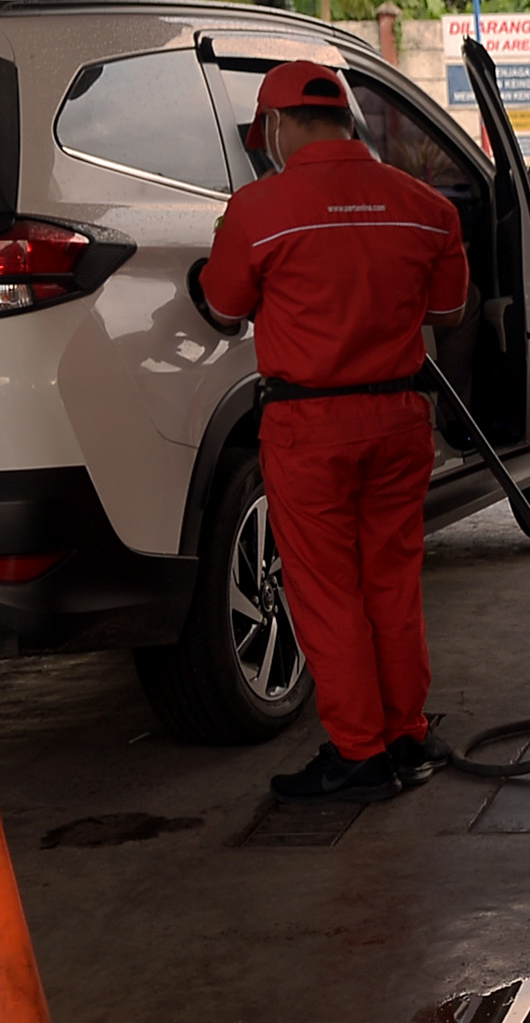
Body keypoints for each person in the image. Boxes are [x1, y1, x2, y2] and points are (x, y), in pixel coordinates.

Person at [201, 60, 471, 804]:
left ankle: (359, 753)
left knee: (327, 591)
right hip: (398, 419)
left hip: (309, 425)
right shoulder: (427, 208)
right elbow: (447, 312)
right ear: (348, 120)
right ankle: (408, 734)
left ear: (279, 127)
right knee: (392, 579)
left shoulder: (259, 209)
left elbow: (222, 309)